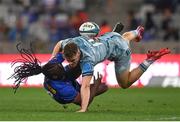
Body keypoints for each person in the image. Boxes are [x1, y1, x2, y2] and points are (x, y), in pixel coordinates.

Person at [50, 24, 171, 112]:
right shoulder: (70, 43)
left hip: (120, 51)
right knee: (122, 37)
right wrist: (52, 59)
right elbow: (59, 43)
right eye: (68, 60)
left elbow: (85, 86)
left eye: (73, 61)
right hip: (110, 37)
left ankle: (149, 60)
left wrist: (83, 108)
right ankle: (135, 32)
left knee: (125, 83)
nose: (70, 63)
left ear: (78, 54)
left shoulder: (88, 60)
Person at [9, 43, 108, 108]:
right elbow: (83, 103)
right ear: (56, 77)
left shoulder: (53, 65)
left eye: (60, 66)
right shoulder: (63, 89)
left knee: (78, 62)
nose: (63, 66)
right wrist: (95, 85)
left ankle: (101, 47)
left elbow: (63, 51)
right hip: (63, 96)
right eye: (61, 69)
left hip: (65, 80)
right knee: (102, 87)